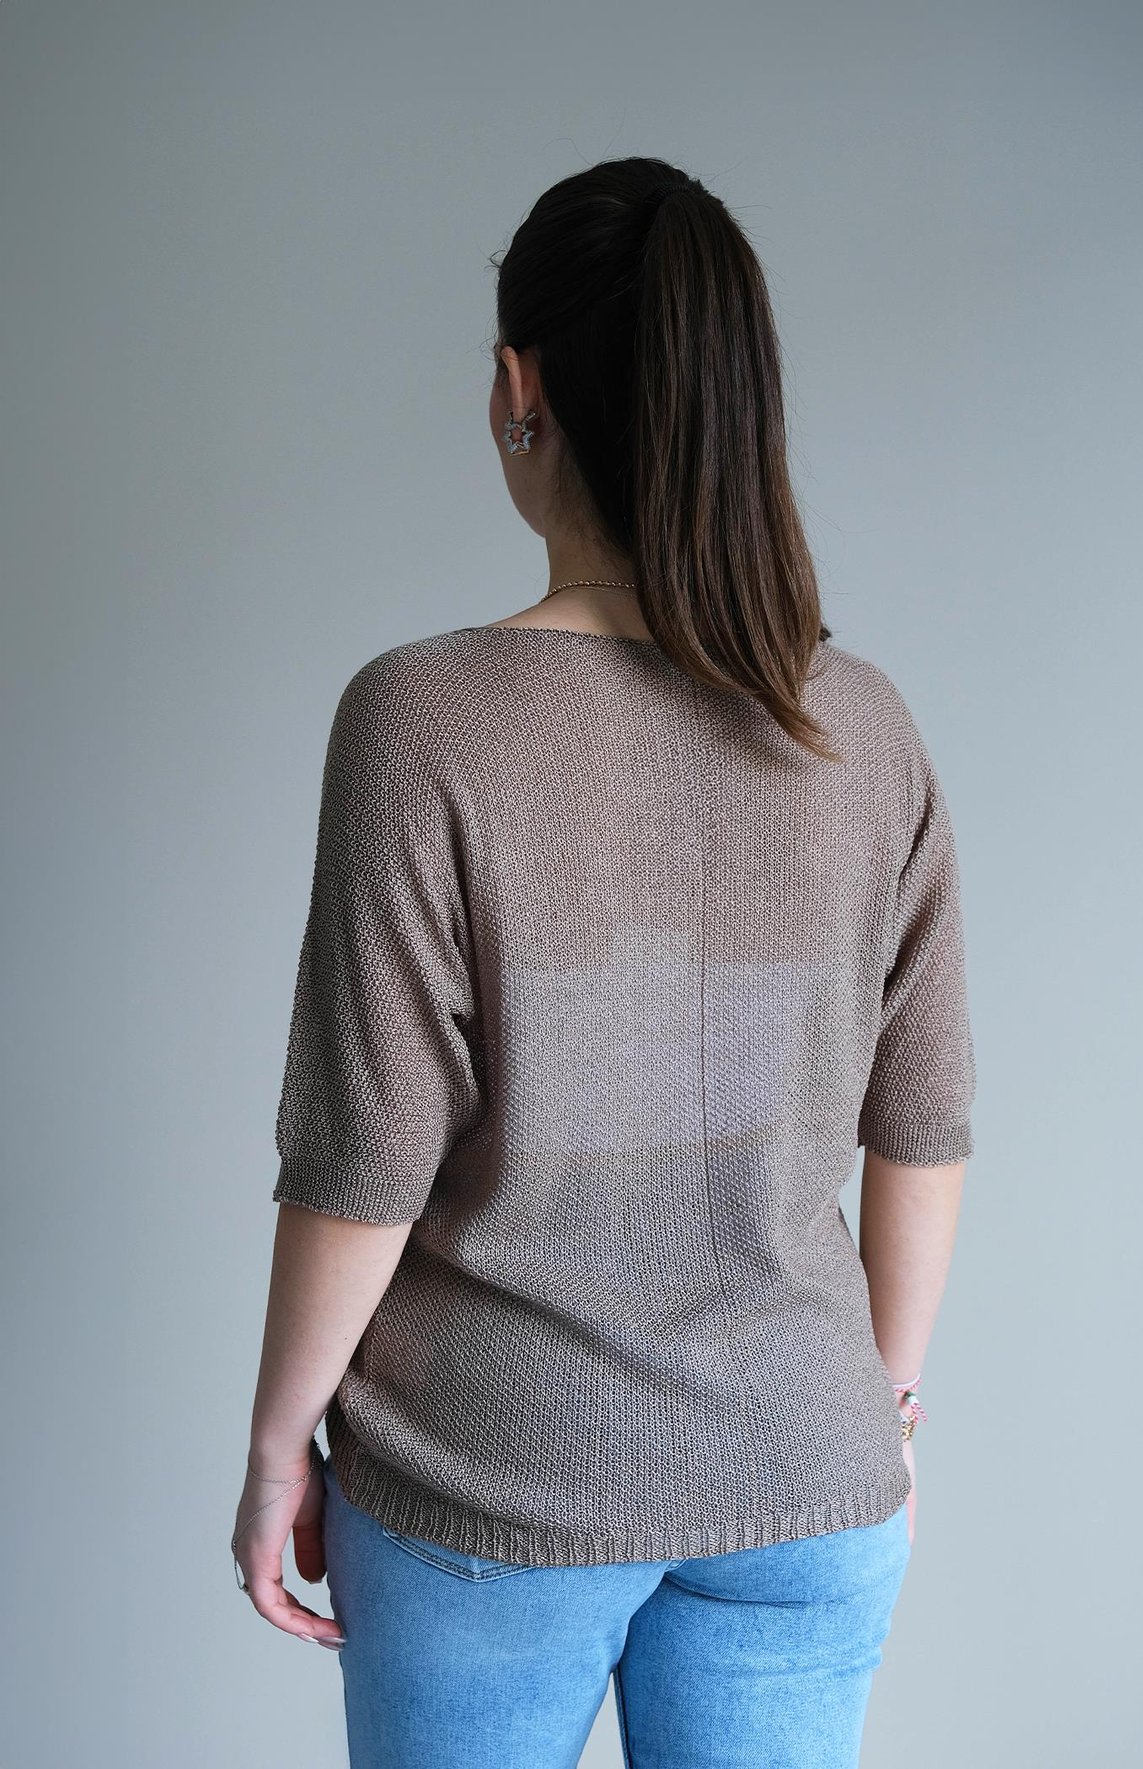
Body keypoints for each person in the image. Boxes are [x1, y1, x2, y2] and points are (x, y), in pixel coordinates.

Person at [232, 155, 976, 1769]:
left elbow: (365, 1155)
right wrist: (881, 1408)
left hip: (489, 1484)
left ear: (522, 389)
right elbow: (924, 1126)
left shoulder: (421, 718)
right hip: (805, 1477)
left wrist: (280, 1439)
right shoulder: (867, 725)